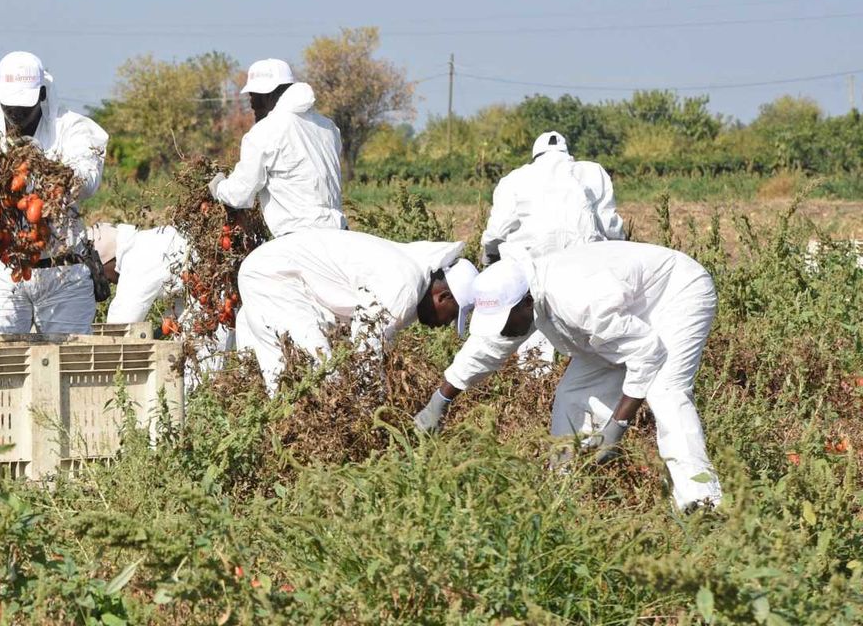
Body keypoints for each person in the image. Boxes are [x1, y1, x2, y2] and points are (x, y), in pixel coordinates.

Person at [414, 241, 722, 511]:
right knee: (570, 397)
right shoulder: (522, 290)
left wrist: (617, 426)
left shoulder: (578, 301)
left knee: (666, 392)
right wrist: (439, 400)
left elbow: (646, 351)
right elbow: (487, 347)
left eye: (505, 322)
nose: (505, 331)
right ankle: (563, 495)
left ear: (527, 303)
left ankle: (701, 502)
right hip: (620, 316)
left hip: (676, 294)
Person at [0, 51, 109, 334]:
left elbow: (88, 179)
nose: (15, 114)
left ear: (41, 94)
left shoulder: (71, 128)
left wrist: (52, 176)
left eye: (24, 107)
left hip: (62, 272)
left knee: (70, 365)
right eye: (10, 105)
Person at [233, 229, 477, 394]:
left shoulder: (410, 276)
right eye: (453, 315)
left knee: (285, 384)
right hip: (274, 277)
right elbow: (366, 354)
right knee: (321, 373)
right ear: (442, 297)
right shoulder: (404, 286)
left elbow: (374, 346)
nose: (446, 324)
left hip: (284, 278)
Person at [479, 130, 625, 370]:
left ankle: (537, 389)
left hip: (532, 270)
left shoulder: (514, 179)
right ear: (568, 153)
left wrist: (489, 259)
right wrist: (621, 247)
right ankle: (584, 379)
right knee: (587, 332)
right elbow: (610, 225)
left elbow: (496, 232)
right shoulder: (593, 172)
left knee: (535, 332)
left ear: (535, 155)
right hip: (584, 264)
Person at [209, 59, 345, 238]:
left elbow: (240, 193)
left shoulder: (265, 130)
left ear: (267, 94)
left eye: (253, 95)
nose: (251, 104)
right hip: (340, 233)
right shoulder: (328, 127)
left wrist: (219, 187)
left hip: (298, 238)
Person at [88, 222, 190, 326]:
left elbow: (121, 323)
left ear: (106, 259)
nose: (107, 281)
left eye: (101, 273)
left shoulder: (137, 258)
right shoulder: (143, 241)